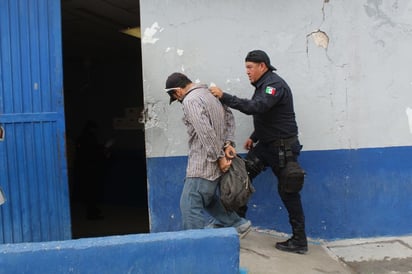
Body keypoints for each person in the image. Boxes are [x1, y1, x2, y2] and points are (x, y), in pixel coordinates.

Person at [209, 50, 308, 254]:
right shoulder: (264, 85)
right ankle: (236, 225)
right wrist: (254, 137)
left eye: (250, 67)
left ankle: (299, 241)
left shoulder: (274, 86)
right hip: (266, 146)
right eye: (246, 67)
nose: (247, 72)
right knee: (241, 178)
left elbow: (258, 107)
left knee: (288, 192)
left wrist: (224, 96)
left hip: (282, 149)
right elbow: (270, 117)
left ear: (262, 66)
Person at [164, 72, 251, 237]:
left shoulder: (190, 101)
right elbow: (229, 118)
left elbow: (205, 131)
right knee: (208, 199)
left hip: (203, 164)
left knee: (189, 205)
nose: (178, 100)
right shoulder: (211, 94)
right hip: (215, 162)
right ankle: (239, 224)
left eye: (176, 97)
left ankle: (195, 245)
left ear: (178, 92)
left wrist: (219, 157)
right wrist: (228, 144)